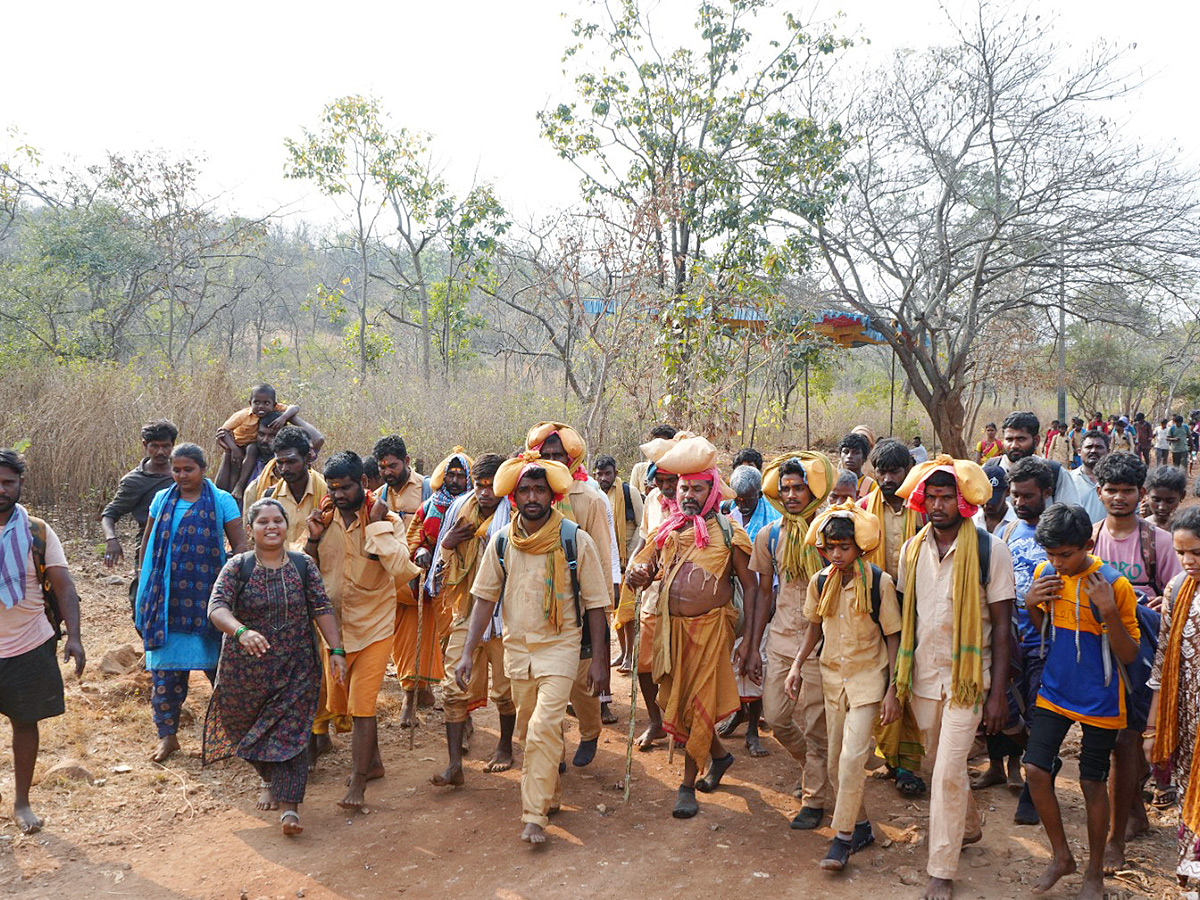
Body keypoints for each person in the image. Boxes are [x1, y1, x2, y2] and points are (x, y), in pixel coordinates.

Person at [454, 453, 610, 845]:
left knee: (541, 728)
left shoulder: (575, 539)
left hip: (561, 646)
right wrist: (467, 652)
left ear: (553, 496)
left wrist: (601, 663)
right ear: (514, 498)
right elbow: (485, 599)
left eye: (540, 489)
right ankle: (550, 795)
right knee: (529, 729)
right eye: (524, 490)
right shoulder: (503, 541)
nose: (532, 496)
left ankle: (534, 815)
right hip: (517, 651)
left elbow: (595, 605)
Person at [893, 455, 1015, 900]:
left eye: (948, 497)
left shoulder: (989, 550)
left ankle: (941, 870)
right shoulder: (911, 550)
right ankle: (969, 824)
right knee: (936, 763)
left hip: (969, 680)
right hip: (923, 677)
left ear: (963, 503)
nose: (939, 505)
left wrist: (997, 692)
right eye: (933, 497)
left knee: (945, 771)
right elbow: (909, 619)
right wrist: (897, 682)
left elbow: (1002, 625)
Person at [624, 435, 757, 819]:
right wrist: (637, 575)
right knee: (679, 706)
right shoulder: (666, 530)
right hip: (670, 632)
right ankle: (720, 756)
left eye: (699, 488)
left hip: (711, 632)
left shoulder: (731, 534)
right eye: (684, 487)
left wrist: (747, 644)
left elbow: (751, 588)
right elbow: (648, 572)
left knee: (695, 708)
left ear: (713, 491)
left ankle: (686, 786)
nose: (689, 494)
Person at [203, 498, 346, 836]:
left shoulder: (302, 565)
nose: (271, 527)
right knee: (243, 727)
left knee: (293, 733)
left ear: (286, 526)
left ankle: (289, 809)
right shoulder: (238, 567)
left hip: (296, 666)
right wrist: (241, 631)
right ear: (250, 530)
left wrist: (336, 649)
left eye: (277, 521)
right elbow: (216, 607)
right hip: (245, 669)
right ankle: (268, 776)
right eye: (262, 522)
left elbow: (321, 607)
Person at [1023, 504, 1140, 900]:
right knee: (1036, 770)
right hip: (1056, 689)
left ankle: (1094, 872)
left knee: (1093, 781)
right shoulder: (1046, 575)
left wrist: (1108, 611)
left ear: (1087, 545)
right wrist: (1030, 603)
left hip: (1101, 698)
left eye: (1065, 555)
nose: (1056, 562)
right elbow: (1047, 631)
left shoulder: (1113, 586)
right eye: (1050, 555)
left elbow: (1129, 655)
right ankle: (1061, 856)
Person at [785, 501, 901, 872]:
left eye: (844, 547)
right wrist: (797, 666)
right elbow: (814, 627)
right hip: (832, 677)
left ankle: (843, 839)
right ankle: (863, 825)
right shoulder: (821, 582)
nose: (837, 554)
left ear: (859, 547)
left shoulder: (879, 582)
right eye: (831, 547)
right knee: (837, 763)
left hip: (869, 679)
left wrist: (893, 689)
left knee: (853, 758)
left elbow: (893, 635)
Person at [305, 451, 420, 811]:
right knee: (342, 704)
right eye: (334, 488)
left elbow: (402, 568)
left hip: (374, 627)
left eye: (347, 487)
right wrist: (311, 539)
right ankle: (373, 764)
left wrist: (376, 527)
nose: (339, 494)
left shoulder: (386, 519)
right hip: (334, 632)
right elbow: (304, 571)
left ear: (365, 484)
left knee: (363, 706)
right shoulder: (322, 520)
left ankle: (357, 783)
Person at [134, 443, 246, 763]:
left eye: (188, 469)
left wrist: (236, 589)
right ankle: (167, 737)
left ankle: (230, 735)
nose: (181, 475)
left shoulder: (222, 501)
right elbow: (148, 547)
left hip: (208, 598)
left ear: (203, 469)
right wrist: (144, 590)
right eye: (177, 469)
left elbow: (240, 546)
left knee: (219, 671)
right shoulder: (161, 500)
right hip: (166, 599)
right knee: (165, 677)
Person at [743, 452, 835, 824]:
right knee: (777, 717)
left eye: (799, 488)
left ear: (812, 490)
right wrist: (751, 646)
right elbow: (764, 594)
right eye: (786, 489)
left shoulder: (831, 531)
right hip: (781, 638)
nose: (792, 495)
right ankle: (812, 769)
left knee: (816, 723)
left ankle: (813, 800)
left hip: (822, 641)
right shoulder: (771, 534)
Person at [0, 449, 85, 834]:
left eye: (8, 483)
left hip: (29, 643)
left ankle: (21, 802)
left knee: (25, 722)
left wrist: (76, 638)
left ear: (20, 486)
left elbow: (64, 587)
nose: (1, 490)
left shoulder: (38, 531)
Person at [526, 421, 620, 759]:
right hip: (539, 604)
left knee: (582, 681)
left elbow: (603, 554)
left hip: (579, 602)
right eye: (545, 455)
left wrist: (605, 603)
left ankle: (591, 731)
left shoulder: (589, 498)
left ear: (572, 458)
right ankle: (554, 753)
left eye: (558, 455)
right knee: (545, 683)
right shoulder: (528, 495)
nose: (552, 461)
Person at [972, 457, 1054, 824]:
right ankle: (1007, 764)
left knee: (1037, 714)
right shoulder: (1006, 533)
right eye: (1016, 495)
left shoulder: (1055, 532)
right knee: (1002, 710)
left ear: (1046, 493)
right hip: (1009, 636)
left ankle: (1035, 786)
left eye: (1027, 496)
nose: (1020, 502)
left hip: (1044, 642)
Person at [429, 454, 515, 786]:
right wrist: (449, 543)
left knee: (506, 690)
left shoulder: (516, 517)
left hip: (505, 614)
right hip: (466, 609)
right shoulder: (458, 511)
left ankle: (505, 746)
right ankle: (454, 765)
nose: (483, 493)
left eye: (491, 486)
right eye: (478, 486)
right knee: (453, 688)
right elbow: (442, 562)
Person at [396, 448, 473, 728]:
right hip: (432, 585)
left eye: (460, 476)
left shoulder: (475, 507)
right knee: (419, 638)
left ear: (468, 479)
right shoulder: (430, 505)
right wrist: (420, 553)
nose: (454, 481)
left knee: (459, 646)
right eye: (450, 475)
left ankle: (464, 713)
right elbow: (415, 539)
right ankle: (412, 698)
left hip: (464, 585)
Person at [1145, 506, 1200, 885]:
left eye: (1196, 552)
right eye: (1181, 553)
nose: (1188, 560)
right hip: (1187, 720)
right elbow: (1163, 661)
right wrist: (1152, 727)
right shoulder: (1177, 589)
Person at [101, 420, 178, 613]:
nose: (161, 452)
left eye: (166, 446)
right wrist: (111, 539)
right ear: (145, 445)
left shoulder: (183, 472)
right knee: (142, 596)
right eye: (154, 446)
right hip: (150, 540)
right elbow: (110, 513)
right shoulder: (135, 481)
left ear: (173, 445)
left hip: (185, 539)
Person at [593, 454, 643, 673]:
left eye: (607, 474)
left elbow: (642, 526)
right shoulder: (593, 493)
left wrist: (629, 557)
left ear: (615, 473)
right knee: (615, 614)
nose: (603, 478)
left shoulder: (628, 492)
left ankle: (631, 656)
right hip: (606, 563)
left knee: (628, 614)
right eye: (599, 474)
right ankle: (622, 652)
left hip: (627, 564)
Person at [242, 426, 328, 549]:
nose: (284, 469)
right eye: (280, 462)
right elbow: (254, 541)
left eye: (291, 462)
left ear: (307, 458)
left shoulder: (326, 494)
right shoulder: (269, 496)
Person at [214, 384, 303, 493]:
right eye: (261, 434)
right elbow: (223, 431)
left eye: (272, 436)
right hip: (239, 445)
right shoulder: (242, 416)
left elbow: (317, 438)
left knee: (252, 448)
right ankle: (237, 490)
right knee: (237, 466)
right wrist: (231, 450)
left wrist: (284, 417)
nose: (261, 406)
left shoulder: (285, 463)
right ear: (250, 403)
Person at [860, 439, 922, 579]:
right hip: (876, 590)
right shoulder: (862, 509)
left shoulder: (922, 508)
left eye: (894, 472)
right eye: (882, 472)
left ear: (907, 470)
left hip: (916, 588)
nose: (887, 479)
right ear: (874, 472)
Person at [999, 411, 1080, 507]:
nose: (1014, 445)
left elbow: (1071, 514)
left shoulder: (1054, 472)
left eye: (1021, 439)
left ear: (1036, 441)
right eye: (1009, 439)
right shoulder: (990, 470)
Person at [373, 435, 424, 528]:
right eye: (382, 468)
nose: (387, 472)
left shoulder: (428, 490)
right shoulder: (377, 497)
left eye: (393, 466)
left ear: (407, 461)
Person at [1069, 430, 1110, 525]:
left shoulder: (1117, 481)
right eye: (1089, 447)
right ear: (1079, 452)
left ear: (1108, 451)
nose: (1093, 451)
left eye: (1099, 447)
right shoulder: (1068, 480)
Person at [630, 424, 677, 497]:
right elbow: (632, 496)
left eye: (662, 444)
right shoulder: (639, 469)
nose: (657, 448)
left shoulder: (677, 469)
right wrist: (646, 494)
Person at [973, 464, 1015, 534]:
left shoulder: (1017, 523)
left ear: (1008, 491)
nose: (986, 506)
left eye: (993, 501)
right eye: (983, 500)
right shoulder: (972, 520)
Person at [1143, 465, 1187, 531]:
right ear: (1146, 494)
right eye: (1156, 500)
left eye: (1170, 501)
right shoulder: (1140, 528)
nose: (1162, 507)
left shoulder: (1187, 528)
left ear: (1182, 496)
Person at [838, 433, 877, 499]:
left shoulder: (871, 486)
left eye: (856, 453)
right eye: (846, 452)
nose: (849, 456)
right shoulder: (832, 481)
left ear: (864, 458)